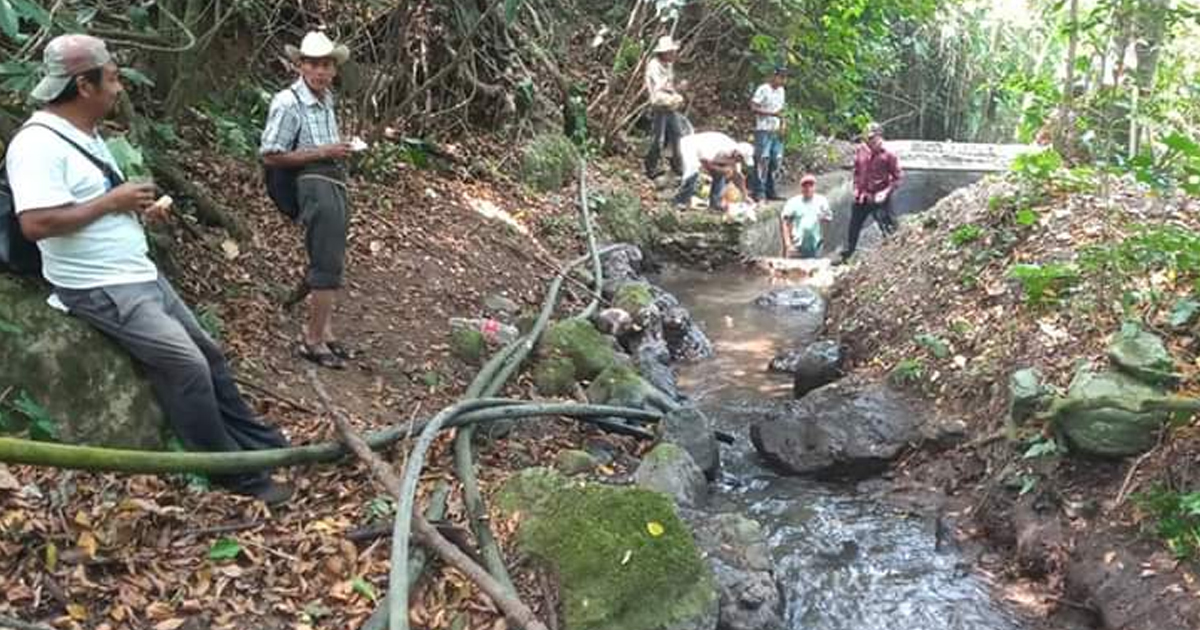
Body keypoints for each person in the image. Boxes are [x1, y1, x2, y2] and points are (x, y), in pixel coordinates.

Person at [6, 34, 292, 504]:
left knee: (211, 355)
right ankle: (230, 473)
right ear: (84, 85)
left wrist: (131, 209)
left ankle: (262, 447)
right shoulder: (36, 145)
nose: (119, 88)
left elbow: (86, 203)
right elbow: (36, 223)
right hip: (99, 285)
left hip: (135, 272)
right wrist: (112, 202)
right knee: (188, 366)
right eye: (113, 78)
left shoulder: (85, 134)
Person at [260, 31, 356, 369]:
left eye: (326, 64)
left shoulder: (326, 98)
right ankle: (312, 340)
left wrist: (336, 151)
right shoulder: (288, 102)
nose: (321, 71)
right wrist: (323, 152)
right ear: (300, 65)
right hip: (311, 183)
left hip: (331, 180)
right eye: (313, 64)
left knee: (330, 256)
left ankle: (324, 331)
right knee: (326, 264)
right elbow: (270, 156)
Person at [840, 122, 901, 263]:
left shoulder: (889, 154)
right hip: (862, 196)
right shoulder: (862, 150)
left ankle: (893, 257)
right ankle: (848, 254)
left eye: (872, 138)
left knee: (888, 227)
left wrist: (886, 192)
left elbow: (897, 178)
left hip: (880, 198)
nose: (869, 142)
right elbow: (856, 171)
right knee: (854, 225)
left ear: (879, 137)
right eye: (867, 139)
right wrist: (856, 189)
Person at [673, 131, 754, 211]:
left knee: (720, 173)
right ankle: (680, 201)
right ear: (737, 154)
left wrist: (745, 195)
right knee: (693, 170)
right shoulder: (720, 147)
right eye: (741, 159)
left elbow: (738, 177)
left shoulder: (735, 159)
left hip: (704, 155)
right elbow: (704, 163)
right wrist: (722, 170)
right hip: (690, 146)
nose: (740, 162)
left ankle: (715, 204)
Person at [643, 35, 687, 179]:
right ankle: (650, 167)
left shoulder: (668, 65)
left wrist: (677, 89)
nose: (673, 55)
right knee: (658, 139)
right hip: (659, 105)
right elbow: (659, 87)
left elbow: (670, 87)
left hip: (669, 106)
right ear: (664, 53)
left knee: (678, 134)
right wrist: (672, 88)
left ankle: (676, 164)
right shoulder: (654, 65)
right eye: (671, 52)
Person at [750, 67, 788, 201]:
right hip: (763, 129)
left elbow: (782, 110)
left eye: (784, 78)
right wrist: (771, 114)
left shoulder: (781, 91)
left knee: (775, 160)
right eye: (780, 77)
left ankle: (771, 190)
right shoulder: (763, 89)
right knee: (762, 160)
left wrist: (783, 124)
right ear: (774, 76)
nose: (782, 81)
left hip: (776, 130)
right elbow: (753, 107)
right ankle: (759, 191)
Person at [780, 173, 831, 258]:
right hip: (797, 246)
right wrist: (788, 244)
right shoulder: (793, 202)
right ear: (801, 188)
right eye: (805, 186)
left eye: (811, 186)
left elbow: (828, 221)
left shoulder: (822, 201)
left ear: (815, 187)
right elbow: (785, 222)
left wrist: (824, 240)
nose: (808, 188)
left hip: (815, 246)